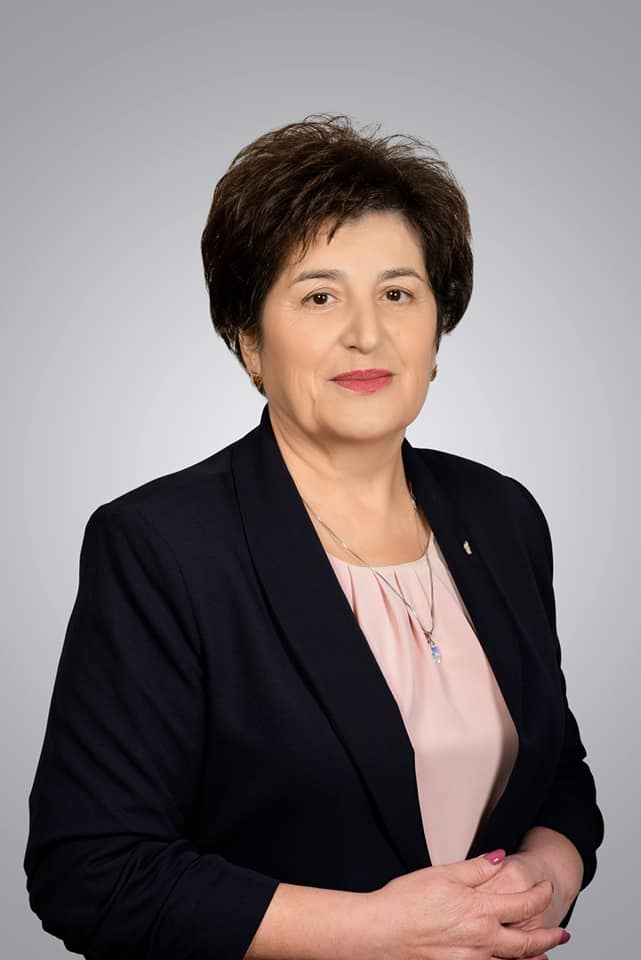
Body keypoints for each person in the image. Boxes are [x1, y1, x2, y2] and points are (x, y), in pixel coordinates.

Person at [24, 114, 604, 960]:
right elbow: (93, 873)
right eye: (319, 296)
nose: (366, 332)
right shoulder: (162, 546)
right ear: (249, 341)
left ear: (435, 333)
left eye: (397, 294)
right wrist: (379, 931)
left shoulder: (500, 514)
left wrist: (545, 875)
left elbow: (556, 774)